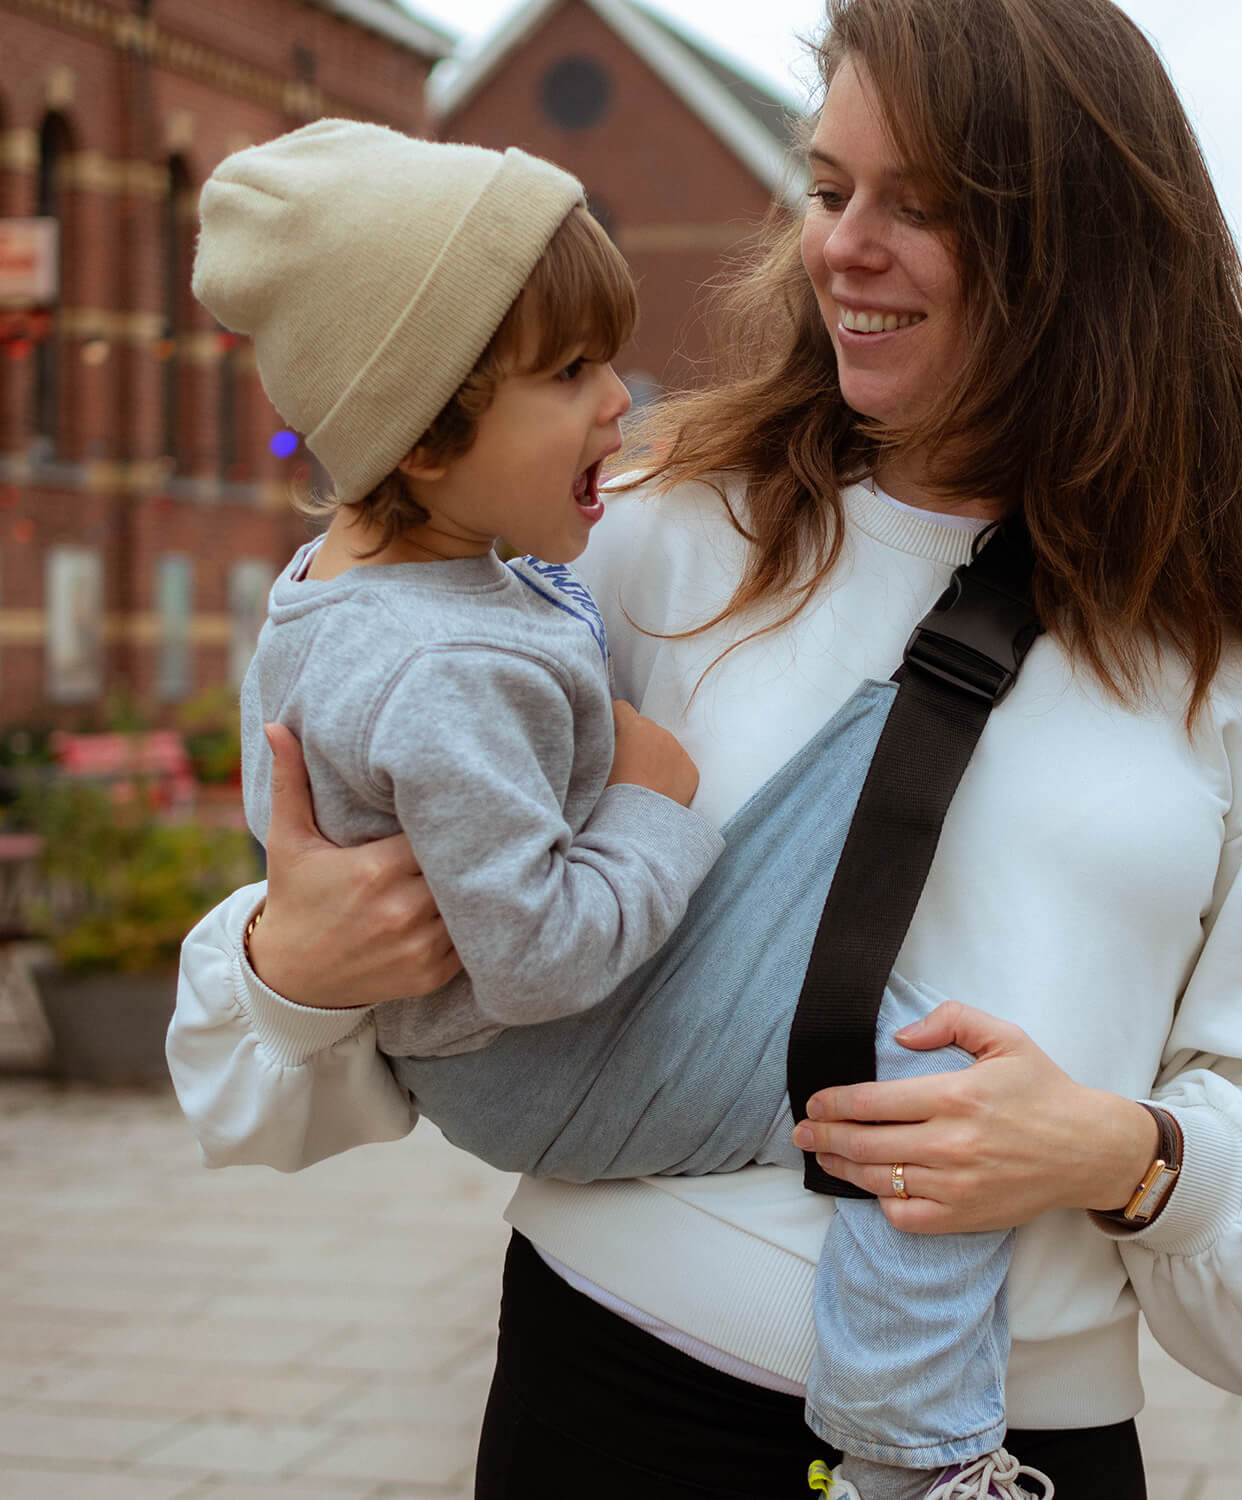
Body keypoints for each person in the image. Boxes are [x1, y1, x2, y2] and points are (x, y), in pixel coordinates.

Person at [167, 2, 1242, 1498]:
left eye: (928, 207)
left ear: (1083, 243)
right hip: (599, 1408)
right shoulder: (625, 543)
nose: (844, 248)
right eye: (830, 190)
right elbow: (317, 1075)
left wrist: (1120, 1154)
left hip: (1004, 1451)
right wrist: (290, 966)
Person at [185, 118, 1055, 1500]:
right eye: (571, 373)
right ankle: (915, 1451)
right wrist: (654, 803)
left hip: (496, 1060)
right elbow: (534, 955)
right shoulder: (453, 661)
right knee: (927, 1078)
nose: (618, 402)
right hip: (532, 1059)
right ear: (422, 433)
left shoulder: (355, 586)